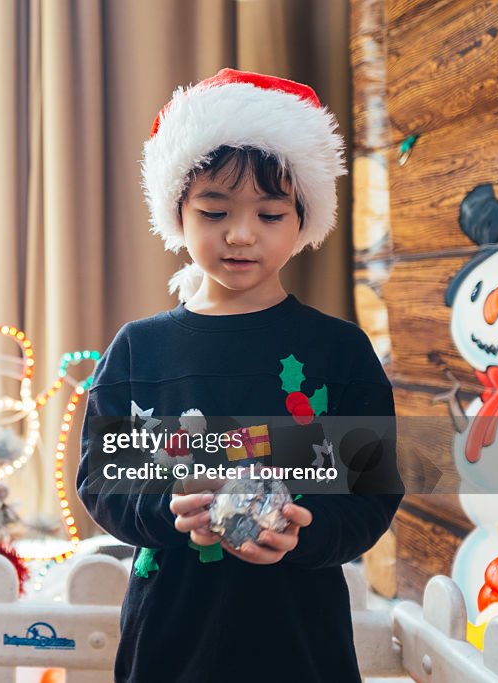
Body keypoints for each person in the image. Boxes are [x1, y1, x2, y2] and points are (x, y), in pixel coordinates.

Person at [76, 68, 404, 682]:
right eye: (215, 210)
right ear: (178, 212)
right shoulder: (138, 351)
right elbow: (102, 481)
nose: (241, 233)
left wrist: (309, 532)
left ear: (303, 220)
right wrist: (167, 511)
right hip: (171, 639)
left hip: (301, 641)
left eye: (271, 214)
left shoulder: (339, 352)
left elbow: (373, 494)